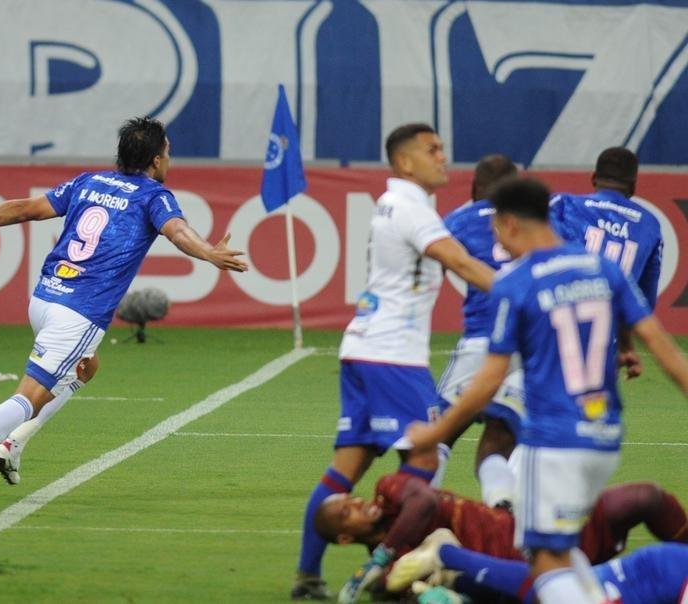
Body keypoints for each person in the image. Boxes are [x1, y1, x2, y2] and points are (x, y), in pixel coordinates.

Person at [0, 116, 249, 506]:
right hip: (79, 312)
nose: (169, 159)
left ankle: (12, 445)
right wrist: (209, 253)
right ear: (156, 160)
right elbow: (178, 232)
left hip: (44, 298)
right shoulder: (154, 196)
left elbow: (25, 209)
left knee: (85, 368)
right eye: (168, 152)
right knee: (30, 395)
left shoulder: (89, 182)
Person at [407, 178, 688, 603]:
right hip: (604, 439)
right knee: (566, 549)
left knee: (544, 563)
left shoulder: (516, 283)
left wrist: (437, 431)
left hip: (553, 442)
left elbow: (488, 380)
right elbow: (661, 344)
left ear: (509, 224)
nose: (499, 244)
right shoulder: (602, 269)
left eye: (497, 233)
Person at [293, 123, 496, 602]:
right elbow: (460, 262)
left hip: (364, 347)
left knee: (344, 470)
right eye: (432, 150)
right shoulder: (410, 208)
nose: (443, 156)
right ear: (405, 162)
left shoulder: (394, 202)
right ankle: (388, 563)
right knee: (426, 454)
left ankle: (308, 575)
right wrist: (527, 293)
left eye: (442, 148)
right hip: (391, 357)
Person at [312, 471, 687, 567]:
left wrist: (387, 551)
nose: (359, 504)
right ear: (345, 538)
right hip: (529, 573)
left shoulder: (390, 490)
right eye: (348, 512)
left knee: (646, 498)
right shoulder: (396, 568)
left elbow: (423, 501)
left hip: (537, 526)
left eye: (353, 498)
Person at [434, 154, 522, 510]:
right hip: (532, 347)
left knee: (437, 434)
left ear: (473, 187)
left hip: (483, 344)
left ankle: (417, 513)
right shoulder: (539, 223)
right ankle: (502, 505)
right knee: (500, 440)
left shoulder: (458, 221)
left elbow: (429, 274)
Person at [551, 147, 664, 381]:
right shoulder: (650, 225)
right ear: (633, 186)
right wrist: (625, 344)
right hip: (603, 343)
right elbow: (642, 301)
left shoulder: (563, 205)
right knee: (592, 401)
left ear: (593, 177)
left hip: (553, 328)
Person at [402, 542, 688, 604]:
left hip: (658, 574)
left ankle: (458, 587)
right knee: (557, 590)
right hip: (656, 577)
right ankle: (445, 554)